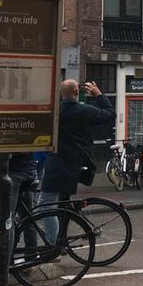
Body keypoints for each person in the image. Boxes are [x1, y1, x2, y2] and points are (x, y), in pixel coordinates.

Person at [38, 80, 115, 242]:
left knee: (45, 204)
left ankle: (54, 245)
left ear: (61, 94)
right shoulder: (84, 111)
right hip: (77, 163)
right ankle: (61, 239)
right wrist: (98, 94)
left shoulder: (55, 112)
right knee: (62, 203)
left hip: (58, 164)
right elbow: (109, 113)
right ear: (76, 93)